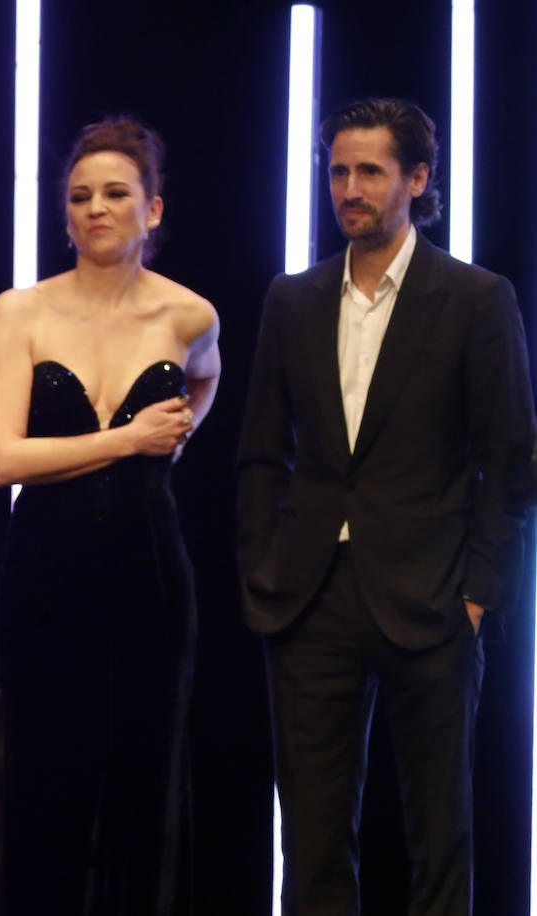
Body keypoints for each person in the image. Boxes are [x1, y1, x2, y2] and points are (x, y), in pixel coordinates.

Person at [237, 97, 534, 916]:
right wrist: (264, 570)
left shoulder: (477, 299)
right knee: (313, 837)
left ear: (418, 179)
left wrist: (479, 596)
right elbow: (262, 452)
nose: (350, 187)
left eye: (370, 170)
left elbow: (508, 463)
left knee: (440, 835)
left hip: (433, 596)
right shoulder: (291, 299)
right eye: (338, 170)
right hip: (308, 597)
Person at [0, 117, 220, 914]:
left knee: (146, 787)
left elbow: (204, 384)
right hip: (45, 572)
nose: (96, 208)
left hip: (151, 573)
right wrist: (132, 440)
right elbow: (3, 460)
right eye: (80, 196)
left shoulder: (190, 317)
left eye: (116, 193)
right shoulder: (22, 311)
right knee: (47, 782)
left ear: (152, 209)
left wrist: (171, 442)